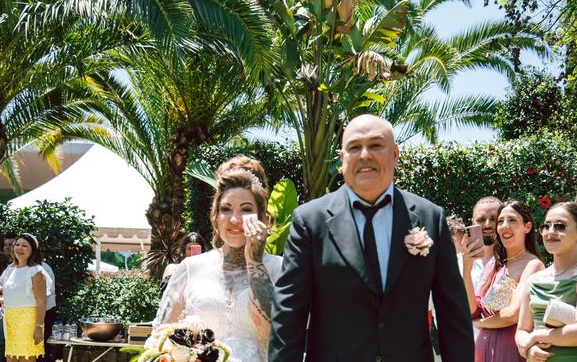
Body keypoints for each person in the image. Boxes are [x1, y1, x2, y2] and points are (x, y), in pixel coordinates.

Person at [268, 114, 474, 362]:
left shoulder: (430, 218)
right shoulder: (310, 221)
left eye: (376, 145)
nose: (365, 155)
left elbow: (453, 313)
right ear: (342, 158)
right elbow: (289, 314)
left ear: (396, 154)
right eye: (354, 147)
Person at [153, 155, 282, 362]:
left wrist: (254, 261)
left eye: (246, 210)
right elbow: (159, 341)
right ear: (215, 216)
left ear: (261, 217)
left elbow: (276, 335)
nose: (234, 219)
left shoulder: (280, 268)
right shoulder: (190, 268)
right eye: (226, 209)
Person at [516, 202, 577, 361]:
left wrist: (538, 335)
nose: (550, 232)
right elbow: (522, 331)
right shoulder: (533, 280)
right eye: (546, 226)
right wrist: (528, 347)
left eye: (560, 226)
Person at [465, 200, 544, 362]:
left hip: (509, 351)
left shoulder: (533, 265)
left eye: (512, 220)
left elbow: (513, 314)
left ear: (527, 227)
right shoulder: (495, 264)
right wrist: (467, 267)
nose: (504, 225)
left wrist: (480, 324)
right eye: (501, 221)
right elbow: (473, 310)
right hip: (481, 352)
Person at [1, 234, 53, 362]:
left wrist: (39, 327)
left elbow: (42, 301)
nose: (19, 248)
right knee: (10, 358)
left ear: (33, 250)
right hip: (10, 321)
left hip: (29, 322)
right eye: (17, 245)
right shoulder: (9, 269)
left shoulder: (36, 271)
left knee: (26, 358)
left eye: (25, 246)